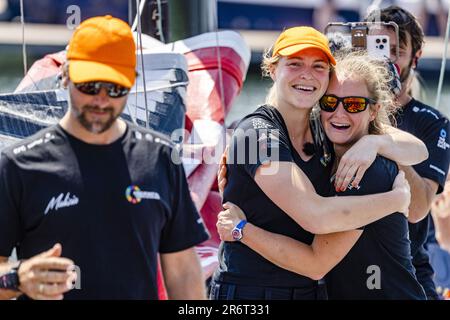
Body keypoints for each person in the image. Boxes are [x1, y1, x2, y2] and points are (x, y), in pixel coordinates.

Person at [209, 26, 427, 300]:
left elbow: (418, 150)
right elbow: (315, 215)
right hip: (250, 290)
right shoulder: (256, 133)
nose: (307, 74)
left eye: (318, 66)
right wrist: (395, 201)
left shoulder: (327, 127)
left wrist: (375, 142)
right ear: (273, 69)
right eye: (295, 63)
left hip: (308, 290)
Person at [0, 15, 209, 300]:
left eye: (114, 88)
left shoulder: (159, 157)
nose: (101, 99)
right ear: (65, 76)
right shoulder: (17, 165)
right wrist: (18, 278)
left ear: (132, 83)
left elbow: (183, 268)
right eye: (89, 86)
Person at [365, 5, 450, 300]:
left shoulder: (432, 123)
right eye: (378, 48)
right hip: (347, 267)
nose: (386, 59)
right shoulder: (341, 112)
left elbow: (418, 209)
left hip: (408, 269)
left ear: (416, 57)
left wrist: (382, 130)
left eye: (396, 50)